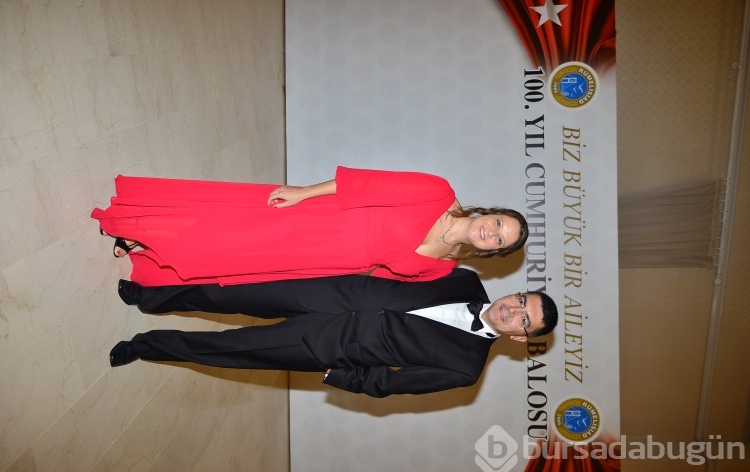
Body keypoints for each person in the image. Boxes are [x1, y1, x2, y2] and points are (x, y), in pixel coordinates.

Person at [109, 268, 558, 398]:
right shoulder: (466, 279)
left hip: (328, 345)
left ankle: (144, 347)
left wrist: (338, 373)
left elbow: (391, 384)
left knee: (230, 348)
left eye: (524, 319)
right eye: (522, 300)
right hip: (328, 292)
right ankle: (149, 296)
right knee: (228, 292)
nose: (513, 310)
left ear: (520, 338)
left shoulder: (465, 368)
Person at [92, 166, 528, 286]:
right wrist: (304, 193)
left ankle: (146, 246)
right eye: (498, 223)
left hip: (323, 259)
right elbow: (365, 183)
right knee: (227, 229)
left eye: (499, 239)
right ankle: (137, 226)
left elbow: (380, 274)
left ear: (493, 251)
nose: (491, 232)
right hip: (318, 220)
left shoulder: (443, 268)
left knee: (230, 257)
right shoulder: (437, 192)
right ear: (491, 212)